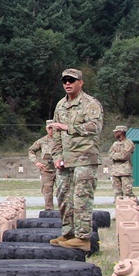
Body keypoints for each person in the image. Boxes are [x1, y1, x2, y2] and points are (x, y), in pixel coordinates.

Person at [48, 68, 103, 253]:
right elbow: (55, 135)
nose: (68, 84)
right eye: (65, 81)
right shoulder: (60, 106)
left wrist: (68, 127)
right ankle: (69, 233)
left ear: (81, 82)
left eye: (72, 80)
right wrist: (56, 156)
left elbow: (95, 127)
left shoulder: (90, 104)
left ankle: (83, 237)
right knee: (63, 197)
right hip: (66, 160)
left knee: (81, 198)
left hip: (85, 159)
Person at [27, 121, 59, 210]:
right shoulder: (42, 141)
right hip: (47, 169)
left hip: (60, 169)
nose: (51, 130)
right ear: (46, 128)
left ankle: (64, 211)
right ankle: (49, 210)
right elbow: (31, 151)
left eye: (53, 128)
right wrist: (36, 162)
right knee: (47, 190)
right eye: (49, 128)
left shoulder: (61, 140)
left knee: (63, 190)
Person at [108, 125, 137, 203]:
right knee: (117, 194)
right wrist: (115, 155)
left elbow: (124, 156)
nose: (115, 134)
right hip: (115, 171)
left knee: (128, 193)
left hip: (125, 171)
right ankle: (120, 211)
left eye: (116, 132)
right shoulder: (115, 144)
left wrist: (115, 155)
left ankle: (136, 209)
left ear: (121, 132)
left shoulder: (129, 143)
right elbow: (110, 154)